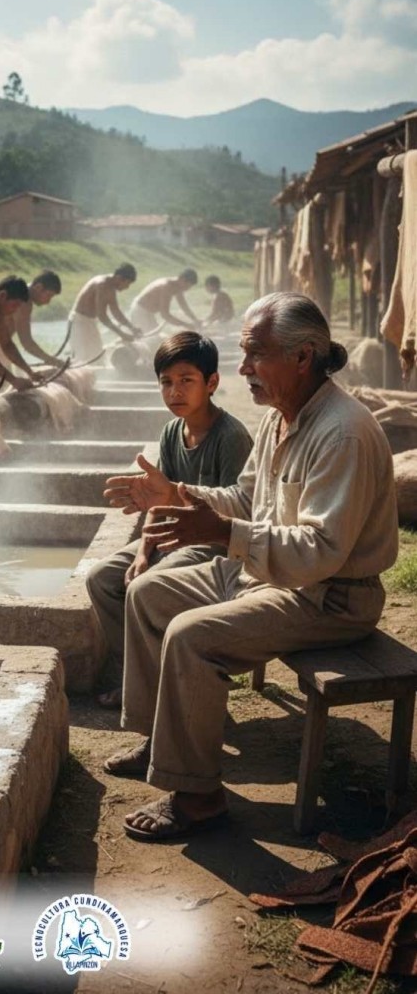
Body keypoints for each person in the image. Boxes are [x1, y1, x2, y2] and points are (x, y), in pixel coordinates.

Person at [102, 291, 399, 841]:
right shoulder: (280, 418)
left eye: (255, 354)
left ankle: (198, 800)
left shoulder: (343, 431)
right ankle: (159, 742)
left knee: (191, 636)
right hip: (269, 575)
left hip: (332, 596)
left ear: (304, 356)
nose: (243, 369)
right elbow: (246, 500)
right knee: (147, 594)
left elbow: (319, 550)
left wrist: (221, 532)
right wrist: (177, 493)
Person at [86, 331, 253, 712]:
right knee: (103, 579)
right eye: (166, 382)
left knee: (146, 586)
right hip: (171, 536)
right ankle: (139, 678)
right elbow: (159, 506)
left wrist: (156, 555)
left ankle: (169, 691)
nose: (174, 392)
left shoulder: (230, 438)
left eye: (186, 381)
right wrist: (143, 552)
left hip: (215, 545)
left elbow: (238, 511)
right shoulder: (171, 432)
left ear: (211, 383)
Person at [0, 270, 65, 395]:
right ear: (38, 287)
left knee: (4, 392)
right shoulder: (24, 301)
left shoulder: (23, 296)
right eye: (49, 295)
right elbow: (26, 342)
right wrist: (51, 360)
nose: (48, 301)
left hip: (1, 348)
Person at [69, 264, 140, 363]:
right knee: (83, 358)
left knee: (97, 356)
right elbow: (102, 316)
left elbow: (116, 312)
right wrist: (122, 334)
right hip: (79, 322)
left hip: (90, 322)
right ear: (119, 278)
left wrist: (132, 327)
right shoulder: (102, 284)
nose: (127, 288)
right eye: (127, 284)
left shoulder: (111, 287)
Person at [129, 269, 200, 333]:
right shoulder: (166, 286)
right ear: (182, 279)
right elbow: (165, 315)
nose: (187, 289)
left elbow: (183, 305)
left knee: (157, 337)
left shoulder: (178, 286)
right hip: (140, 311)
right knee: (150, 339)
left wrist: (195, 319)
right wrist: (186, 325)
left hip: (148, 313)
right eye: (187, 286)